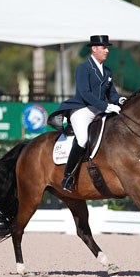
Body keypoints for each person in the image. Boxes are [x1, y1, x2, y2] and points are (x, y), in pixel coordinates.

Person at [49, 35, 126, 192]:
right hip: (82, 109)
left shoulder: (107, 71)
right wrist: (105, 106)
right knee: (83, 139)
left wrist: (120, 100)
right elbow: (84, 93)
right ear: (94, 49)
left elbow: (112, 94)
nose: (107, 50)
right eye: (104, 48)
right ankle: (68, 176)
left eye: (107, 48)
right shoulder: (83, 68)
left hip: (100, 109)